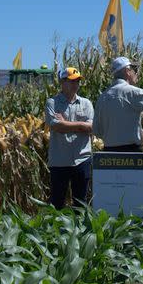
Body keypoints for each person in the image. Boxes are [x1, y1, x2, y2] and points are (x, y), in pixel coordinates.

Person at [44, 67, 94, 209]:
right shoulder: (52, 103)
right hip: (60, 161)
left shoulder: (86, 103)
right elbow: (56, 127)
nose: (75, 84)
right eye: (72, 81)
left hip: (82, 158)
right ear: (62, 82)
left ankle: (81, 231)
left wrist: (65, 123)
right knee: (57, 203)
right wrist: (81, 125)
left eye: (77, 81)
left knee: (81, 203)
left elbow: (91, 128)